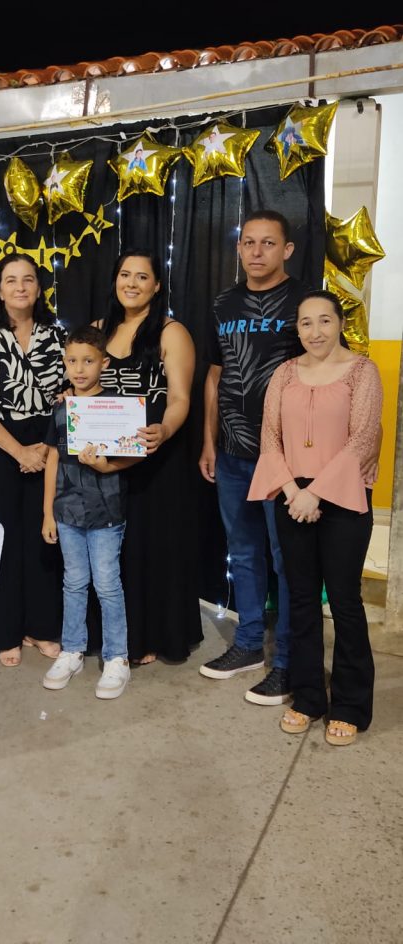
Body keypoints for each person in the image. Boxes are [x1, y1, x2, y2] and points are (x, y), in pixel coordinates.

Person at [248, 290, 383, 745]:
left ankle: (349, 705)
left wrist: (315, 494)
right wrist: (293, 492)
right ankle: (308, 697)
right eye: (306, 323)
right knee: (301, 599)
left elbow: (363, 438)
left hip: (344, 497)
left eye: (325, 320)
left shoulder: (363, 371)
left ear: (340, 323)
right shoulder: (285, 373)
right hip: (292, 498)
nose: (315, 331)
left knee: (344, 601)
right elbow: (270, 438)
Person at [198, 210, 308, 703]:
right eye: (248, 242)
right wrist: (209, 441)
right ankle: (247, 646)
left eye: (268, 243)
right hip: (232, 453)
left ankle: (287, 661)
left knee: (286, 560)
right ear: (239, 248)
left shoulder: (305, 301)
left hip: (284, 459)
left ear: (287, 250)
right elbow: (215, 375)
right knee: (242, 554)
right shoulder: (223, 302)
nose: (256, 251)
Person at [95, 247, 203, 663]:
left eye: (142, 277)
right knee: (112, 554)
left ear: (157, 286)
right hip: (105, 464)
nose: (132, 283)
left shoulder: (171, 332)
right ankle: (115, 637)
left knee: (154, 547)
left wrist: (165, 430)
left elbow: (179, 398)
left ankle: (154, 636)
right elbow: (81, 384)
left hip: (157, 458)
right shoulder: (97, 330)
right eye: (125, 274)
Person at [0, 254, 65, 666]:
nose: (20, 287)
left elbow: (68, 394)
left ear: (39, 288)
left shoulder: (56, 336)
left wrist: (44, 448)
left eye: (29, 279)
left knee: (42, 537)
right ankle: (3, 631)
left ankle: (40, 627)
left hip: (45, 444)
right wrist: (20, 452)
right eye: (11, 280)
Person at [42, 325, 138, 699]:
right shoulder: (61, 408)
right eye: (72, 361)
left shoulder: (119, 407)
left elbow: (133, 455)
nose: (79, 369)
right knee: (73, 581)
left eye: (88, 361)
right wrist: (48, 513)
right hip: (67, 512)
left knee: (108, 584)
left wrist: (105, 465)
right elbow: (52, 460)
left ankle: (117, 658)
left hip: (106, 513)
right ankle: (72, 650)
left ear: (104, 363)